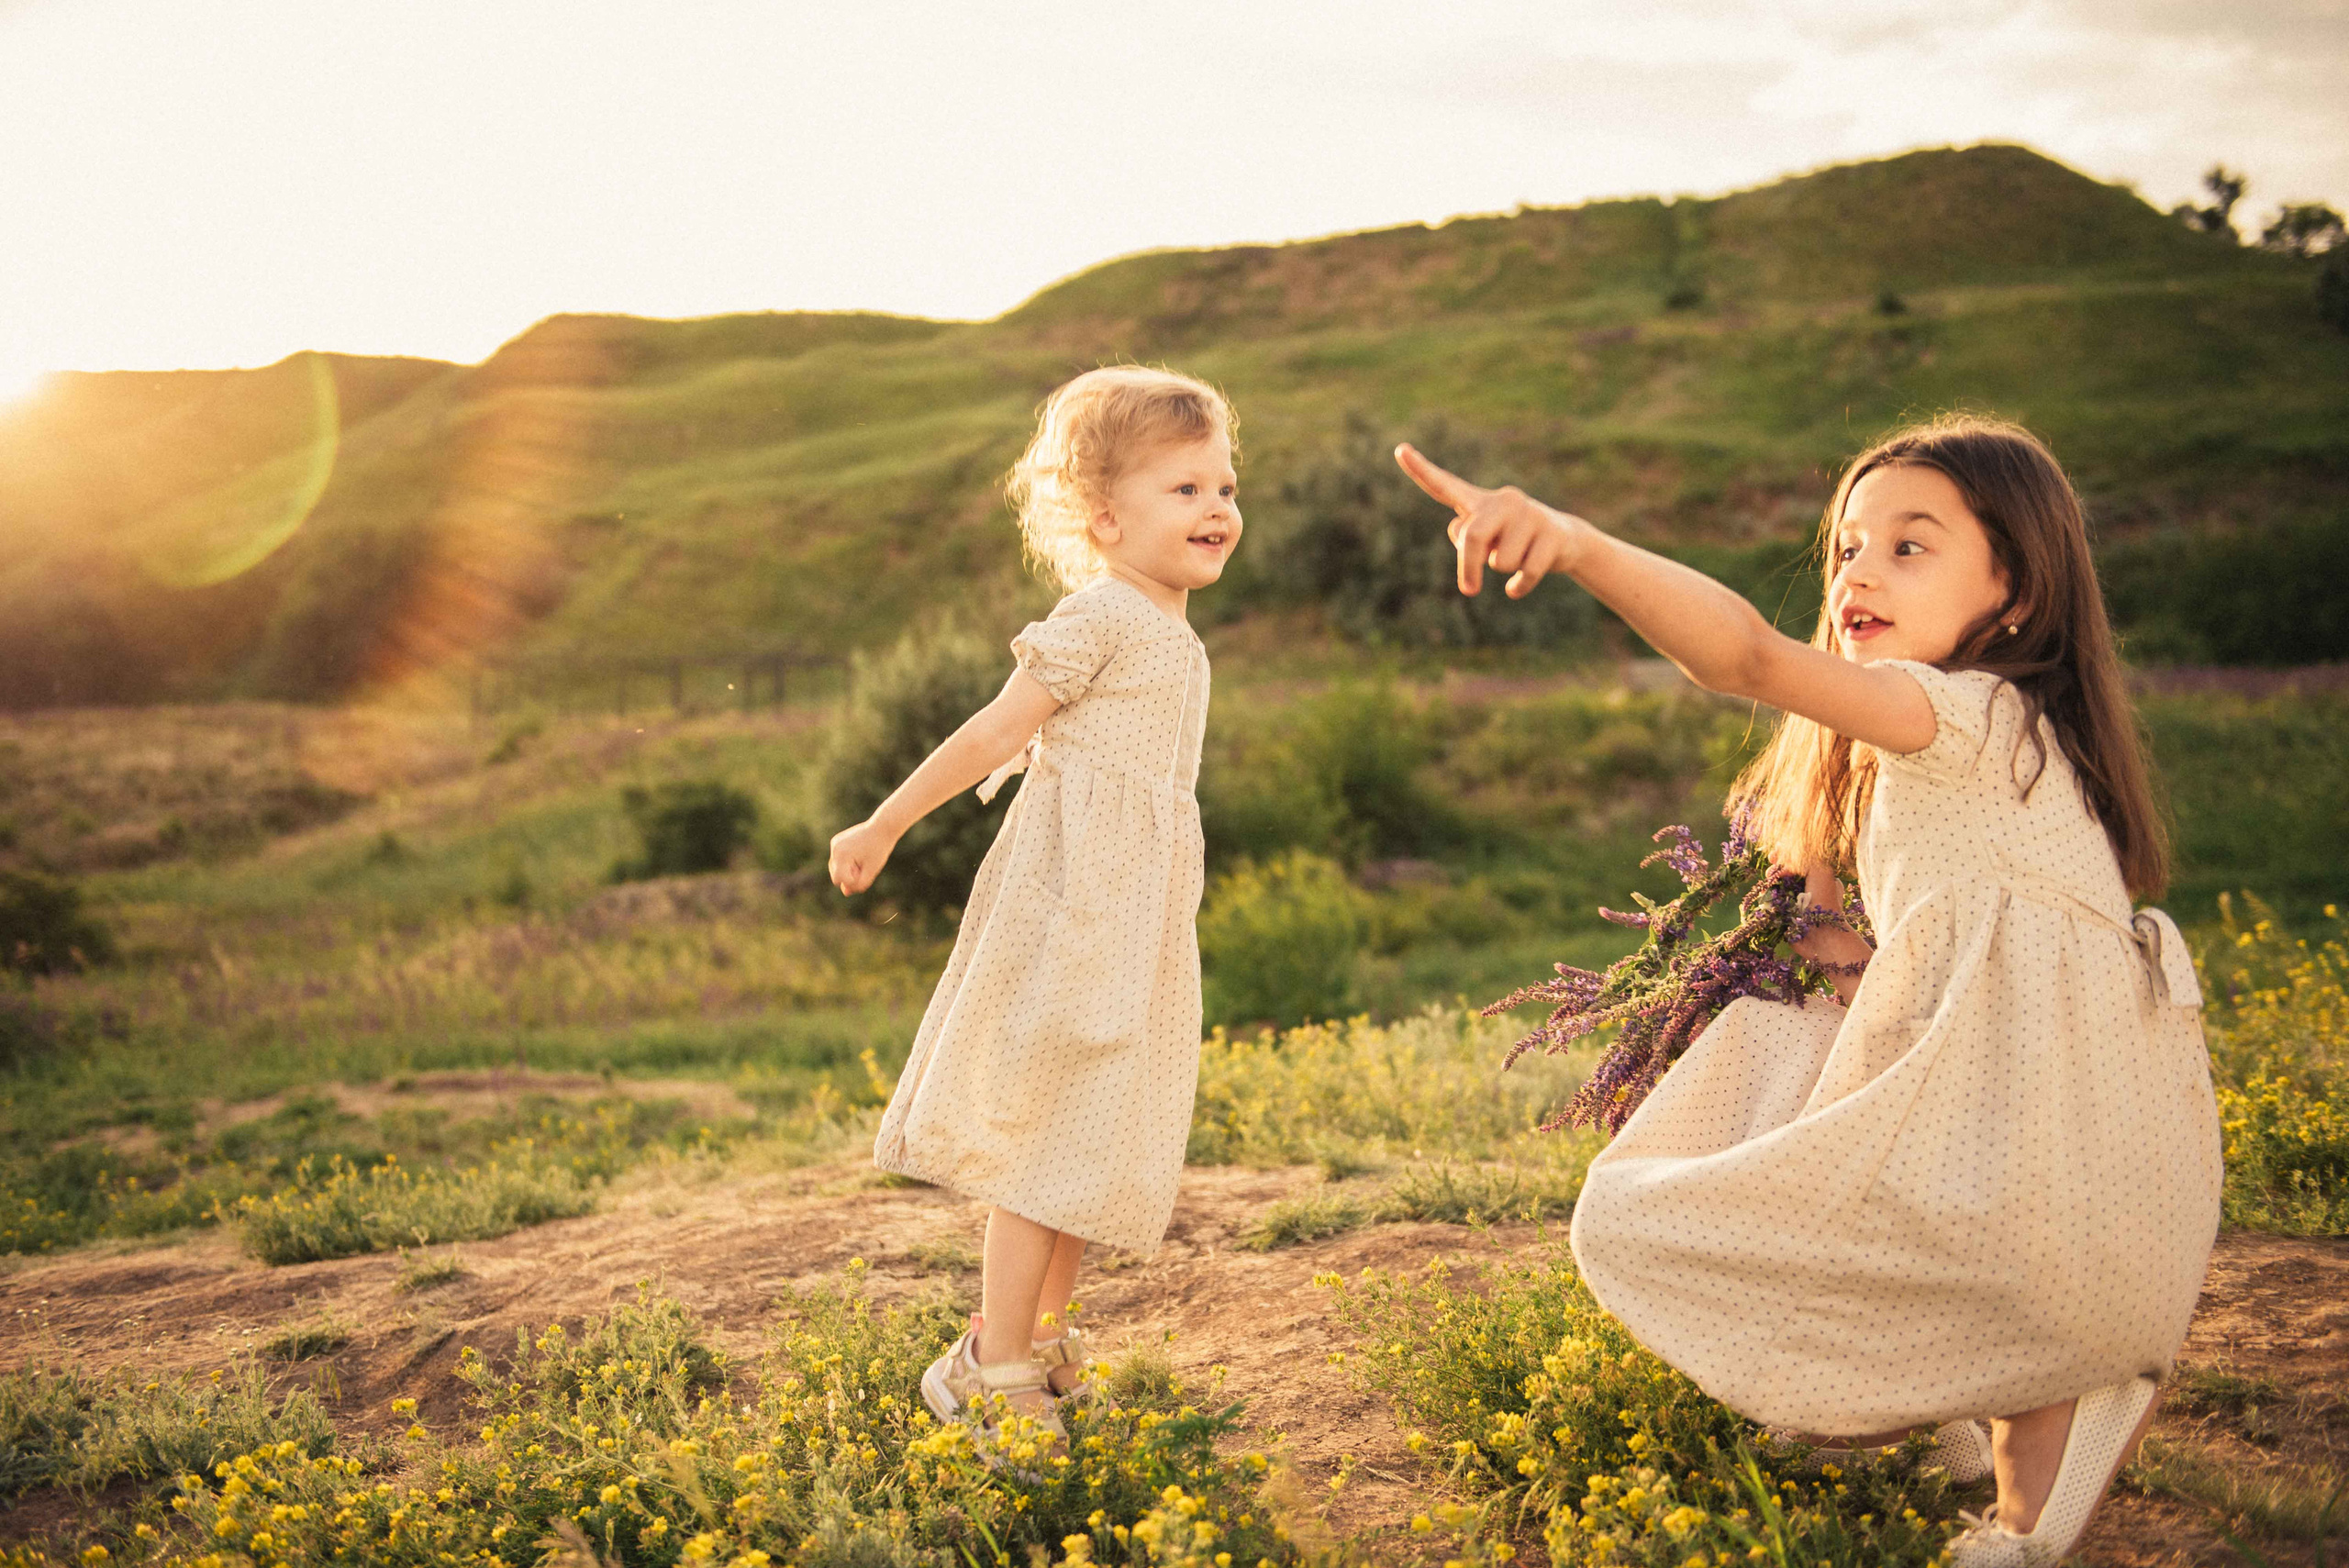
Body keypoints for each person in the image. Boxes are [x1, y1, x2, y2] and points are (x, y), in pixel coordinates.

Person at [1395, 416, 2221, 1567]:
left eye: (1909, 546)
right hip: (2042, 1101)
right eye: (1845, 547)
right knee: (1776, 1060)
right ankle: (1994, 1386)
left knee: (1998, 1300)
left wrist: (1575, 541)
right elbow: (1840, 922)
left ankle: (2033, 1430)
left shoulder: (1972, 716)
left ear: (2018, 591)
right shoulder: (1933, 735)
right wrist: (1828, 919)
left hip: (2056, 1117)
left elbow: (1740, 655)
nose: (1858, 572)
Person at [829, 365, 1239, 1447]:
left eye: (1223, 488)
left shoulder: (1175, 632)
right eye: (1184, 490)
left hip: (1134, 917)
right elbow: (991, 734)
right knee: (1049, 1137)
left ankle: (1042, 1341)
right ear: (1105, 518)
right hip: (1070, 910)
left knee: (1092, 1133)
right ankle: (987, 1360)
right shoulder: (1101, 612)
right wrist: (883, 822)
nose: (1217, 511)